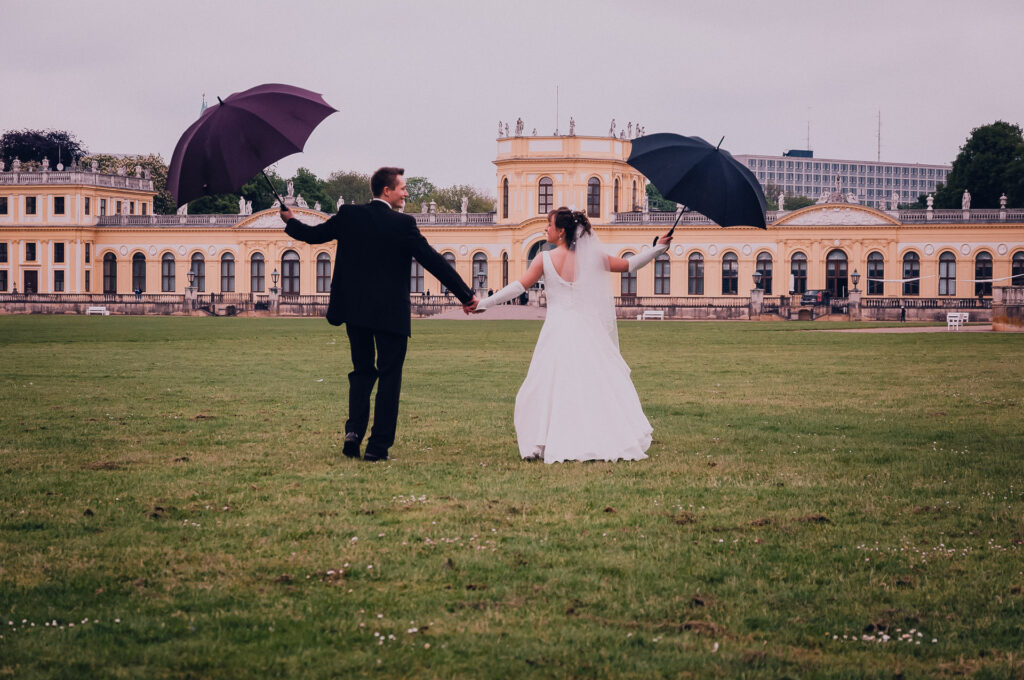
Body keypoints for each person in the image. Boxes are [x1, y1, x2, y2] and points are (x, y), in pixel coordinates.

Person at [280, 167, 478, 462]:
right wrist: (465, 294)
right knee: (389, 378)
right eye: (403, 188)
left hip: (355, 311)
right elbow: (433, 261)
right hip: (390, 315)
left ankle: (353, 434)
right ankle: (377, 447)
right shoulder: (403, 224)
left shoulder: (349, 215)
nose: (406, 193)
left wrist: (291, 221)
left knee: (361, 373)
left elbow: (312, 236)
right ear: (387, 190)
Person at [474, 207, 671, 463]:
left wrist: (484, 303)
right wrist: (658, 249)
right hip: (588, 329)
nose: (545, 228)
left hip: (557, 329)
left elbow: (518, 286)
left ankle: (542, 440)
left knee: (547, 384)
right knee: (593, 384)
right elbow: (629, 265)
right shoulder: (591, 258)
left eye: (549, 224)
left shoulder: (544, 259)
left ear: (561, 231)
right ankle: (592, 435)